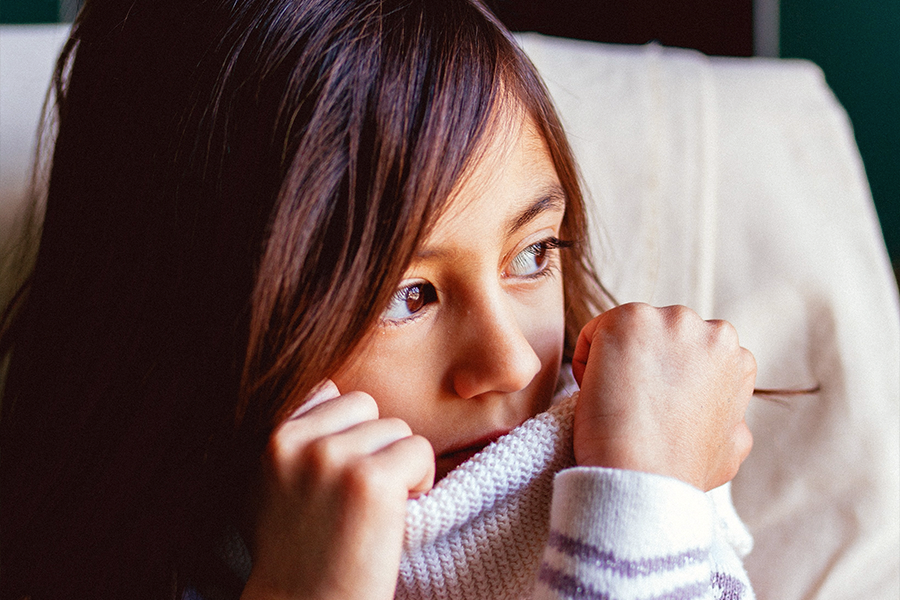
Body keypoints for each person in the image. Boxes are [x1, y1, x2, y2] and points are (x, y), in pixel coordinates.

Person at [0, 0, 756, 599]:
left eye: (531, 255)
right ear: (192, 324)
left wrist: (651, 484)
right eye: (407, 295)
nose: (511, 362)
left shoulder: (633, 451)